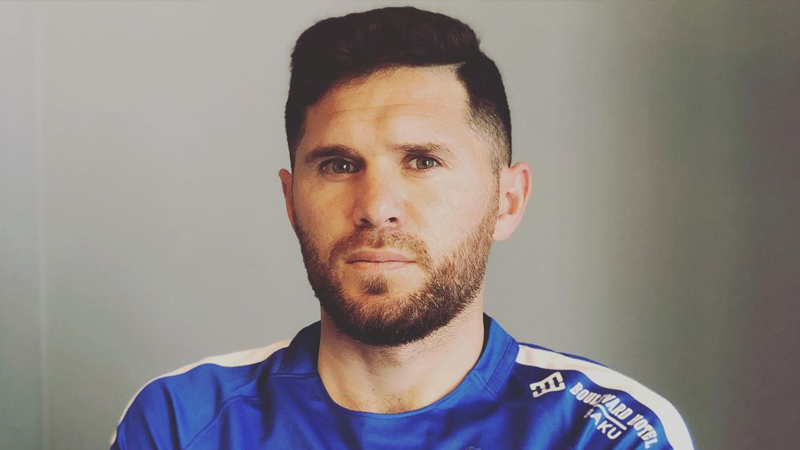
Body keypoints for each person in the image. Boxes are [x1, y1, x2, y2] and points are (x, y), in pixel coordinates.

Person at [110, 7, 693, 449]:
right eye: (339, 166)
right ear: (291, 201)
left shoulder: (607, 433)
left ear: (507, 201)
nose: (376, 207)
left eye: (423, 161)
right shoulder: (184, 422)